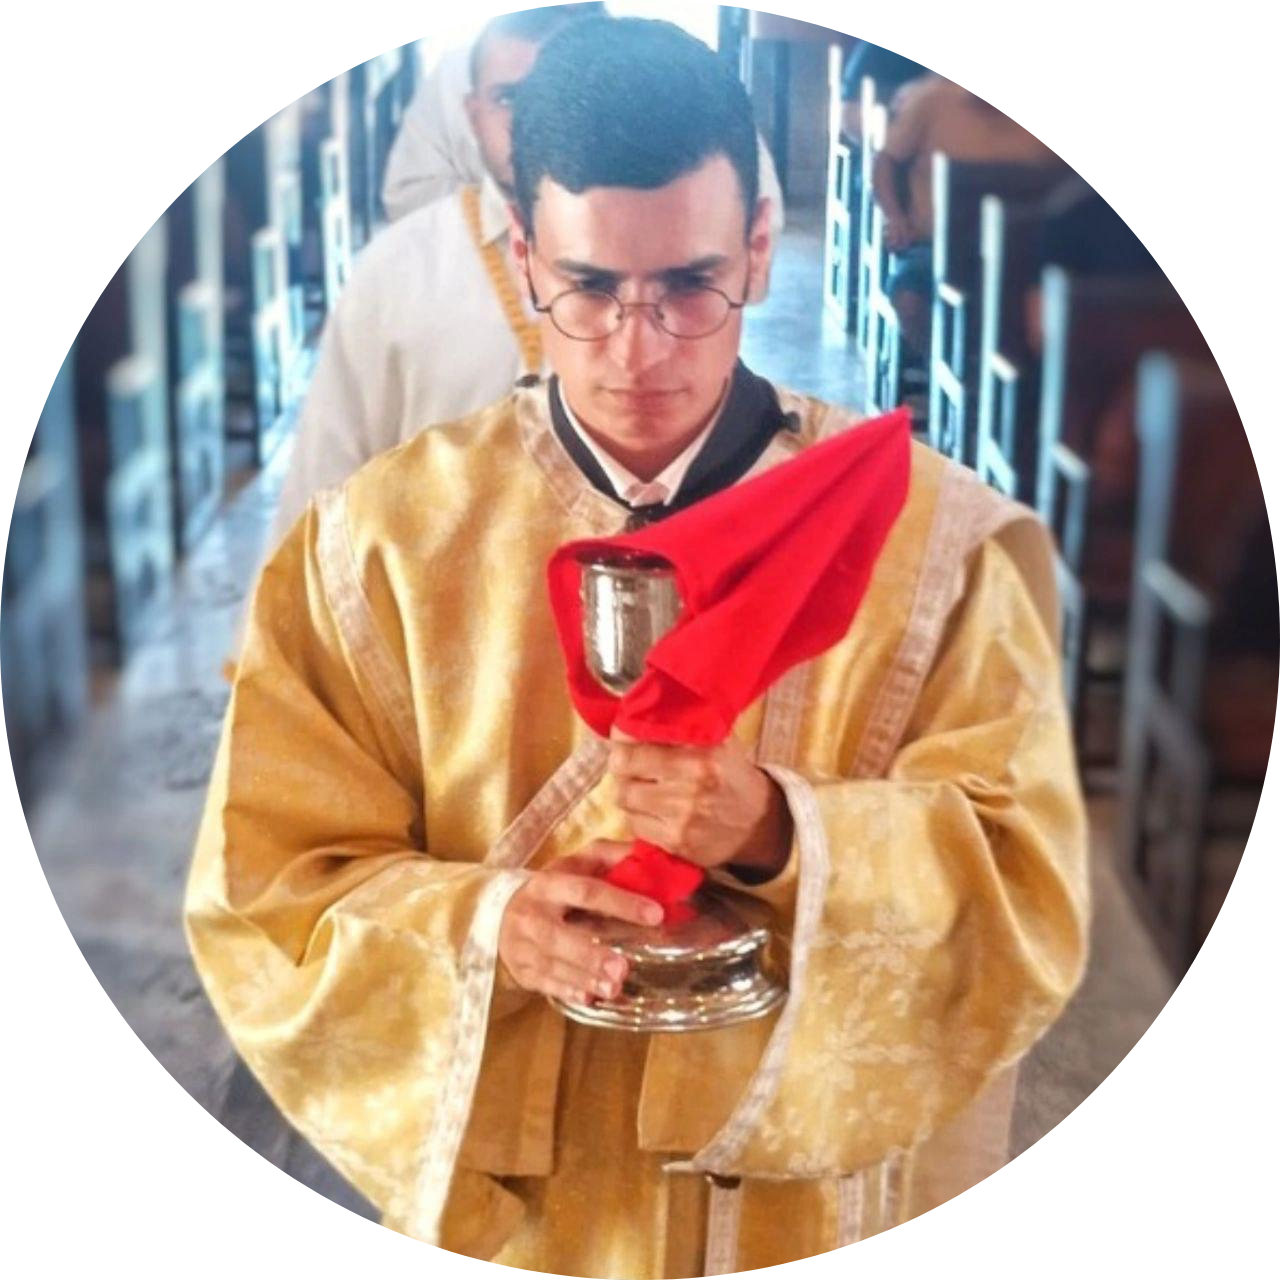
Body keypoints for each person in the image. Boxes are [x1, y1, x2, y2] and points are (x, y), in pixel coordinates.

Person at [186, 18, 1088, 1273]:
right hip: (530, 1222)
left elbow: (1023, 889)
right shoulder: (376, 546)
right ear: (523, 254)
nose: (637, 348)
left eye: (689, 285)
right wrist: (488, 922)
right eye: (590, 287)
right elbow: (264, 886)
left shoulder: (928, 541)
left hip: (796, 1217)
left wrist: (779, 833)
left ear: (759, 247)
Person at [264, 7, 590, 554]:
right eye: (508, 99)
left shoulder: (669, 263)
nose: (533, 121)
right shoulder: (395, 273)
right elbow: (320, 494)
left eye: (557, 92)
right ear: (473, 113)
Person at [383, 12, 789, 238]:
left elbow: (757, 205)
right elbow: (407, 196)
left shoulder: (665, 64)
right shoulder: (464, 69)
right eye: (508, 99)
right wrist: (508, 212)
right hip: (482, 303)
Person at [872, 74, 1066, 358]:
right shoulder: (932, 99)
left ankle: (1010, 375)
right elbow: (885, 162)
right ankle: (937, 363)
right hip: (935, 245)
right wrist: (895, 216)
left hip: (1026, 253)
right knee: (910, 298)